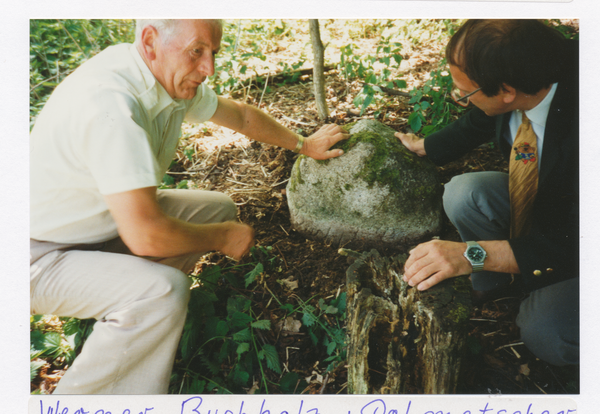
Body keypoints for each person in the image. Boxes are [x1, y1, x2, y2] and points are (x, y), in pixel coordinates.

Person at [29, 19, 348, 394]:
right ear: (150, 40)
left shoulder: (161, 78)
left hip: (97, 227)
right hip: (35, 254)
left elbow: (240, 116)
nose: (208, 68)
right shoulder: (112, 105)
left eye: (213, 53)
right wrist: (222, 238)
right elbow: (146, 235)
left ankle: (130, 331)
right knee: (161, 292)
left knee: (215, 210)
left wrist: (304, 145)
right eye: (197, 51)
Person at [395, 19, 578, 367]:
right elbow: (484, 117)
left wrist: (473, 255)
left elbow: (578, 243)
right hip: (559, 209)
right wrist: (426, 146)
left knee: (546, 330)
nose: (457, 98)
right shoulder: (533, 72)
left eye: (464, 93)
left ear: (507, 91)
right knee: (465, 193)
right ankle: (497, 286)